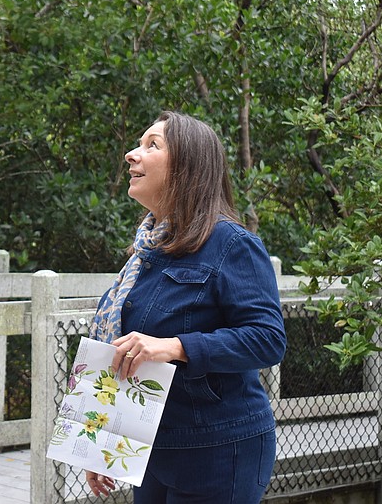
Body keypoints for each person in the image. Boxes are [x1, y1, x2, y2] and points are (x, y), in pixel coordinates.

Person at [84, 111, 287, 503]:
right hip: (151, 448)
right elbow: (118, 349)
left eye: (151, 145)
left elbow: (268, 340)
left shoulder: (231, 243)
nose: (131, 154)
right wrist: (99, 438)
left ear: (186, 166)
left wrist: (175, 346)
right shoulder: (146, 252)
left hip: (219, 449)